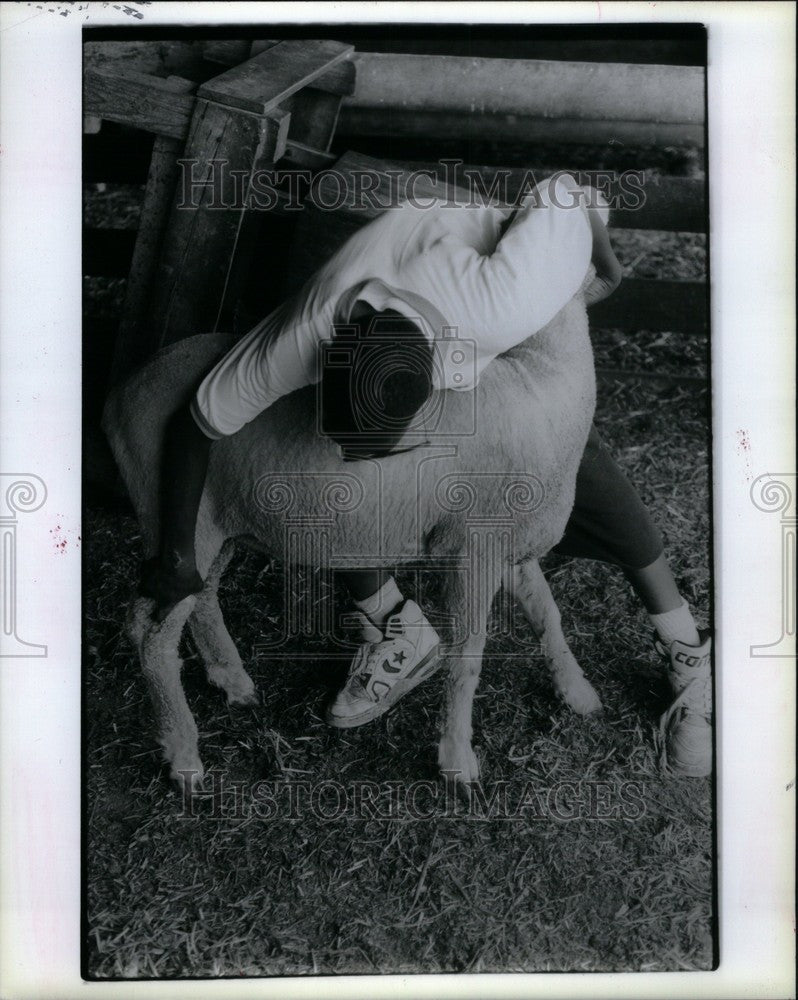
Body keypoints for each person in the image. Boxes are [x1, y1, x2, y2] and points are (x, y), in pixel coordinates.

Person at [140, 173, 712, 778]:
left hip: (491, 272)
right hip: (385, 269)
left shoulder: (501, 300)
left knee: (559, 461)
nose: (363, 454)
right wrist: (177, 552)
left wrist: (609, 269)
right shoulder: (299, 338)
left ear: (436, 381)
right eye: (348, 439)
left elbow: (566, 191)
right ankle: (399, 625)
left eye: (383, 444)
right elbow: (198, 420)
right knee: (370, 491)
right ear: (320, 371)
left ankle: (685, 650)